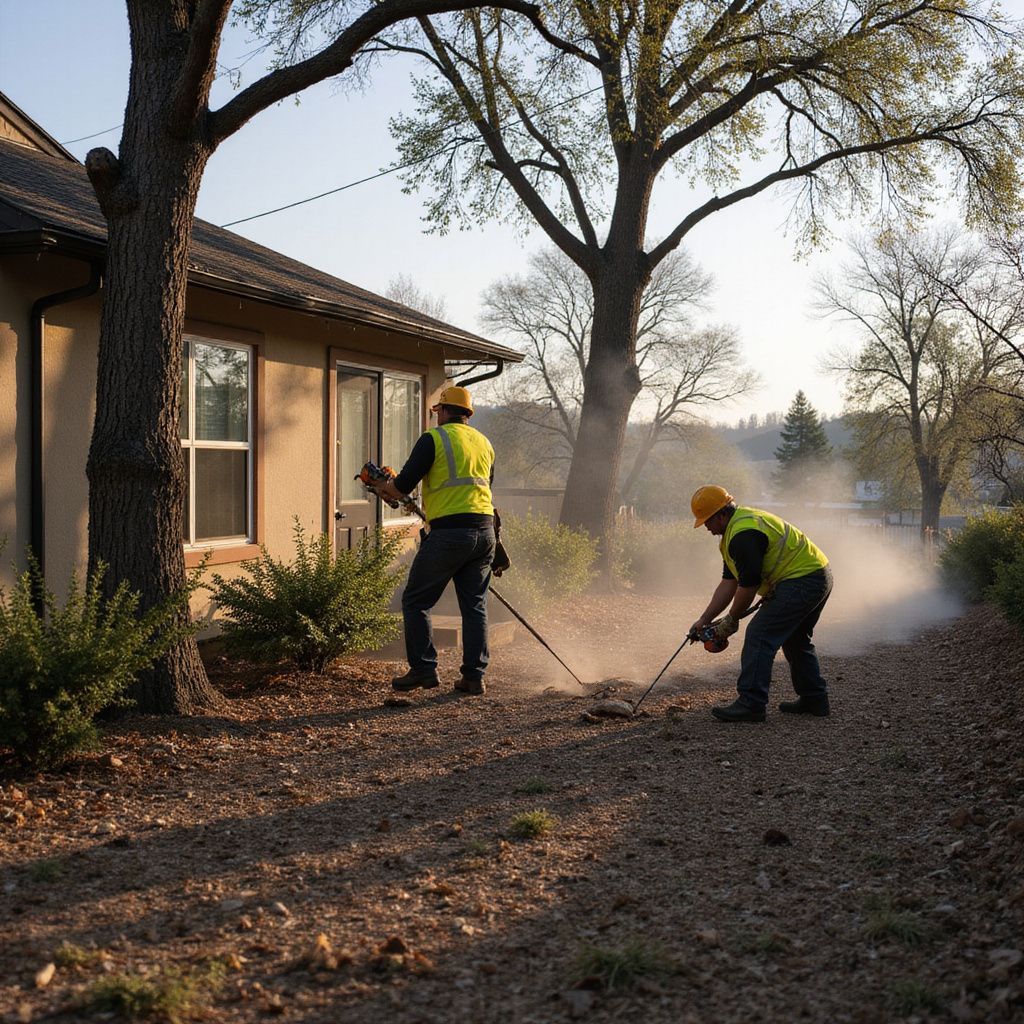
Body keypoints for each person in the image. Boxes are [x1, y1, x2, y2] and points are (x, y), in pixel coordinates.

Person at [379, 385, 496, 696]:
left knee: (415, 600)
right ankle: (473, 677)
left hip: (449, 535)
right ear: (467, 414)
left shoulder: (434, 439)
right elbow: (477, 490)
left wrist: (384, 485)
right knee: (474, 605)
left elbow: (402, 485)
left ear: (444, 412)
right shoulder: (484, 443)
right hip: (485, 533)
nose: (436, 418)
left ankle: (423, 669)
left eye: (438, 413)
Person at [689, 485, 833, 723]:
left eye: (707, 521)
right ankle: (814, 699)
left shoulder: (743, 535)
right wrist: (704, 620)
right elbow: (729, 583)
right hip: (816, 575)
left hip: (803, 580)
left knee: (759, 634)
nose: (706, 527)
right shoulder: (736, 531)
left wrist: (731, 620)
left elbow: (748, 586)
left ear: (721, 515)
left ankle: (751, 704)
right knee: (796, 639)